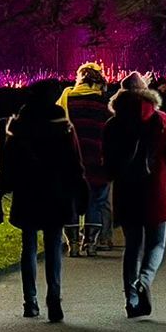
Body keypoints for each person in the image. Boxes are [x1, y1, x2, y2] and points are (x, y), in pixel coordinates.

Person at [0, 78, 86, 322]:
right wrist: (81, 192)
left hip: (28, 192)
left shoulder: (20, 125)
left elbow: (8, 164)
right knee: (53, 246)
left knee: (29, 247)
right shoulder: (62, 124)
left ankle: (29, 301)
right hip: (56, 192)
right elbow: (74, 163)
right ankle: (54, 299)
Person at [104, 72, 166, 318]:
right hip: (155, 187)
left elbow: (108, 159)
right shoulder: (161, 120)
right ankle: (145, 278)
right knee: (157, 242)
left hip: (127, 189)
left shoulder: (113, 124)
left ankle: (131, 299)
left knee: (133, 246)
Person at [59, 61, 114, 254]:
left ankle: (73, 244)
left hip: (71, 158)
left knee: (71, 201)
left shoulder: (67, 97)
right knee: (95, 202)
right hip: (97, 158)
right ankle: (90, 243)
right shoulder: (104, 102)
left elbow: (60, 124)